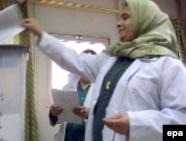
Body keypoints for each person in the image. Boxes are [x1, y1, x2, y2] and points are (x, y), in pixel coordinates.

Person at [21, 0, 186, 141]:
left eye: (125, 17)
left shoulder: (168, 66)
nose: (118, 23)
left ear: (145, 21)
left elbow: (180, 132)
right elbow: (75, 60)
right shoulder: (110, 60)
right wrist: (41, 34)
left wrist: (136, 124)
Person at [49, 49, 96, 141]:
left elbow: (106, 119)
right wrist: (53, 113)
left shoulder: (101, 90)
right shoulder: (67, 87)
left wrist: (88, 114)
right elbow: (58, 120)